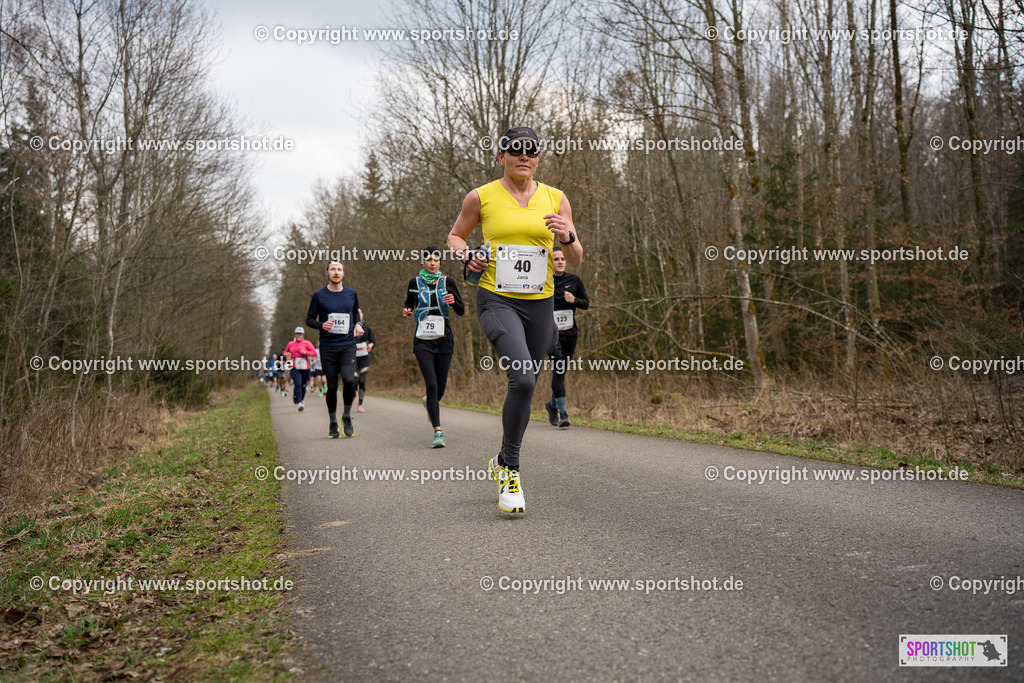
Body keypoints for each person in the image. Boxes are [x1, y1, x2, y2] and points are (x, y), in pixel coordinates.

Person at [448, 126, 582, 514]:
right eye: (515, 150)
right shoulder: (481, 196)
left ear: (538, 157)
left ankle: (501, 460)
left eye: (531, 150)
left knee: (527, 385)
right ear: (502, 156)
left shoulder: (556, 199)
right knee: (522, 376)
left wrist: (568, 238)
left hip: (540, 304)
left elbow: (575, 260)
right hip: (496, 298)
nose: (524, 156)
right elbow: (456, 236)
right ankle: (512, 471)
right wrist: (466, 255)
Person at [403, 246, 465, 448]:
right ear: (423, 262)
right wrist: (406, 311)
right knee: (431, 384)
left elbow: (461, 311)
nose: (432, 262)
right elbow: (409, 304)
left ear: (440, 262)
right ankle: (438, 432)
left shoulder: (448, 282)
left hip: (444, 337)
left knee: (440, 388)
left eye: (435, 259)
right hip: (423, 339)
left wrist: (454, 301)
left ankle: (429, 401)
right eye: (428, 259)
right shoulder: (415, 282)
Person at [306, 261, 364, 438]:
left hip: (347, 345)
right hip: (328, 347)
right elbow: (309, 319)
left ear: (343, 273)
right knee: (331, 386)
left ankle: (346, 417)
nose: (336, 272)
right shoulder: (319, 295)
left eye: (339, 269)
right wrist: (321, 325)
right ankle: (332, 422)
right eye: (333, 269)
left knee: (349, 381)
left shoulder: (351, 294)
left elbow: (356, 313)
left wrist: (359, 324)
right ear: (327, 273)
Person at [545, 247, 589, 428]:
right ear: (551, 262)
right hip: (551, 334)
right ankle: (563, 412)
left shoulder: (574, 280)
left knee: (561, 371)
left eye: (563, 258)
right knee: (558, 369)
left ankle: (551, 405)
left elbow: (586, 304)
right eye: (556, 259)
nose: (561, 261)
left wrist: (575, 301)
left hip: (570, 333)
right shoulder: (545, 281)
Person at [284, 326, 317, 411]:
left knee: (303, 385)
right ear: (294, 334)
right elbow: (285, 352)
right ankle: (299, 403)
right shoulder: (291, 344)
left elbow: (314, 353)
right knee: (298, 384)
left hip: (305, 366)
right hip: (295, 366)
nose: (298, 335)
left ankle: (300, 398)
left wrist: (306, 352)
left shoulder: (307, 343)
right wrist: (287, 354)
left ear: (303, 335)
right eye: (297, 334)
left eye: (300, 334)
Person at [353, 309, 375, 412]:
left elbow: (373, 341)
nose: (358, 315)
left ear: (362, 315)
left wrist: (370, 345)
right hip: (352, 358)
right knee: (353, 381)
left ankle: (360, 404)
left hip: (364, 358)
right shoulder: (350, 328)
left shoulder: (367, 328)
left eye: (360, 313)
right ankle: (353, 392)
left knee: (362, 380)